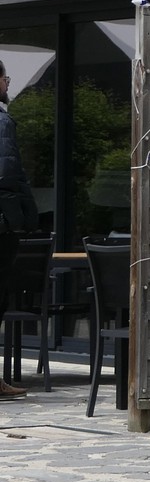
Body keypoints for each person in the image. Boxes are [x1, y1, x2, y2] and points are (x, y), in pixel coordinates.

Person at [0, 62, 41, 400]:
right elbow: (9, 175)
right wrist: (24, 217)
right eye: (5, 78)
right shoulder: (1, 122)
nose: (7, 84)